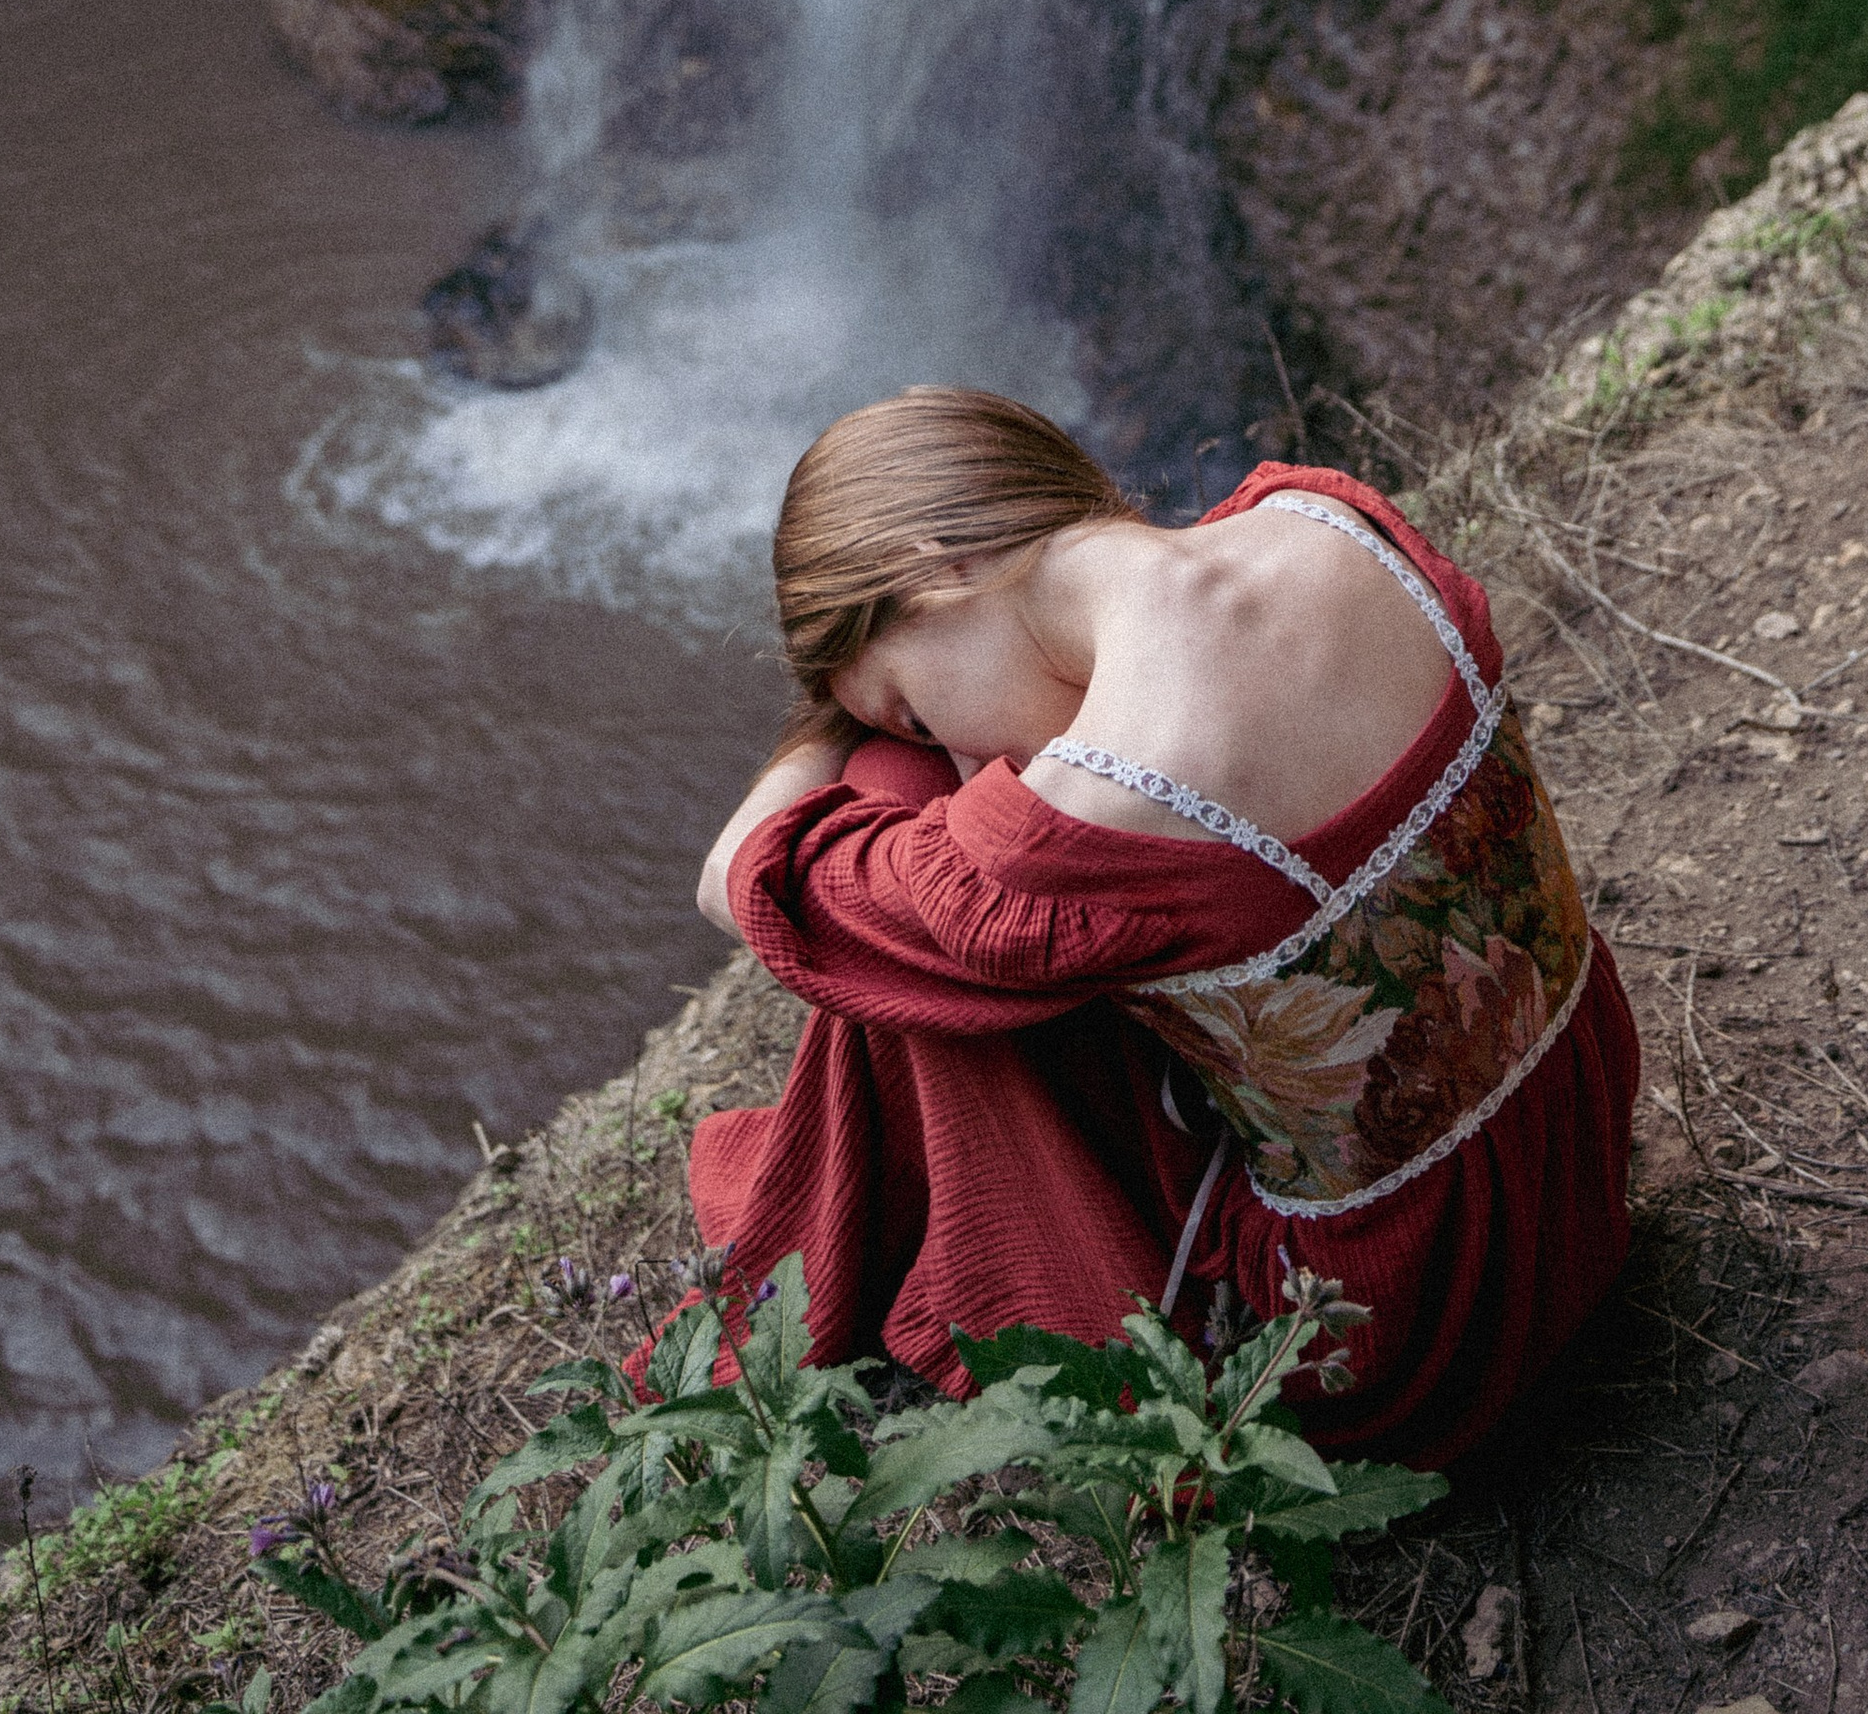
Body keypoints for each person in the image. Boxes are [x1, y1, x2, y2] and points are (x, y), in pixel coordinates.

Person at [665, 386, 1636, 1462]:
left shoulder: (1086, 823)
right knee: (910, 879)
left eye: (915, 711)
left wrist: (838, 739)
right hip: (1576, 1160)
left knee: (889, 909)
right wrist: (867, 689)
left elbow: (737, 881)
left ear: (934, 562)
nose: (958, 767)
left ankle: (887, 1256)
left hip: (1390, 1329)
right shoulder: (1329, 519)